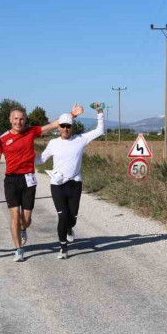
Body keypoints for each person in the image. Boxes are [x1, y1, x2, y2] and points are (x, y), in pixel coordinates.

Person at [0, 103, 84, 262]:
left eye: (22, 119)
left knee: (26, 219)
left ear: (25, 120)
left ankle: (24, 229)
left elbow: (52, 125)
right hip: (11, 179)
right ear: (10, 120)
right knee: (14, 217)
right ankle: (18, 249)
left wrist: (72, 115)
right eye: (16, 119)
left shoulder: (30, 131)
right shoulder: (3, 139)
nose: (19, 122)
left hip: (28, 178)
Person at [36, 103, 105, 259]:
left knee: (72, 218)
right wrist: (24, 157)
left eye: (68, 126)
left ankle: (69, 229)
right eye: (63, 126)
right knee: (62, 216)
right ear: (58, 128)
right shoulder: (53, 143)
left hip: (75, 184)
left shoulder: (80, 139)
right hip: (57, 185)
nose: (66, 128)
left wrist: (100, 111)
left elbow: (99, 130)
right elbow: (41, 159)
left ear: (72, 127)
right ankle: (63, 247)